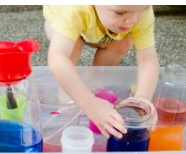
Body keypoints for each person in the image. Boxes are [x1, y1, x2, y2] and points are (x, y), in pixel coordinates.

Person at [44, 5, 160, 138]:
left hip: (103, 30)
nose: (133, 20)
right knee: (72, 48)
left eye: (143, 9)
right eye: (120, 12)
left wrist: (142, 98)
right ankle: (65, 98)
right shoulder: (74, 9)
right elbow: (58, 58)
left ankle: (93, 82)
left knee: (123, 43)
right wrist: (90, 104)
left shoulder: (138, 11)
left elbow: (148, 59)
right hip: (62, 21)